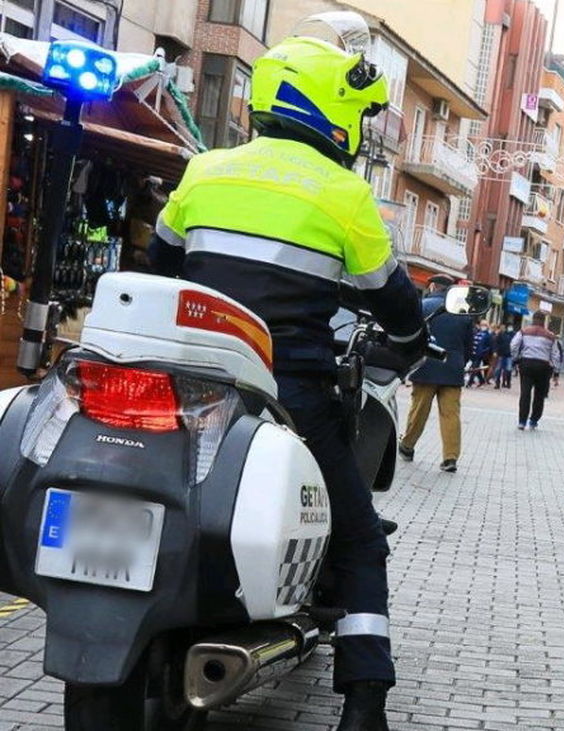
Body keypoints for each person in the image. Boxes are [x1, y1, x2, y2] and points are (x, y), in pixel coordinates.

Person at [147, 17, 421, 727]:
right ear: (332, 108)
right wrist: (413, 336)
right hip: (285, 390)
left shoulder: (206, 166)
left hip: (184, 380)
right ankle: (364, 702)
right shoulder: (343, 193)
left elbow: (161, 261)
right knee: (360, 538)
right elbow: (390, 295)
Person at [399, 275, 473, 474]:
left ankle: (407, 446)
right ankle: (450, 457)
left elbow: (410, 335)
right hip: (452, 369)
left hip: (426, 366)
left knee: (419, 410)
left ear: (432, 286)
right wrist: (460, 363)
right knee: (451, 414)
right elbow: (468, 346)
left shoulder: (422, 306)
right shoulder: (462, 310)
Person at [511, 311, 564, 429]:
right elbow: (555, 354)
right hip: (543, 366)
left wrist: (516, 358)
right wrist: (556, 371)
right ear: (544, 321)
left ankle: (522, 421)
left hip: (527, 363)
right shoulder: (550, 336)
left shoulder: (523, 331)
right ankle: (534, 420)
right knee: (539, 395)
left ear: (533, 319)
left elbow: (514, 345)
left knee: (525, 393)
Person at [465, 320, 492, 387]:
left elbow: (489, 346)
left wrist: (483, 352)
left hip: (479, 354)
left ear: (487, 326)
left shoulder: (488, 335)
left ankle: (469, 383)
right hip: (473, 353)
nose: (483, 326)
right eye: (482, 325)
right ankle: (482, 380)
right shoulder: (477, 333)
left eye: (484, 325)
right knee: (476, 368)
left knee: (474, 368)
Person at [492, 322, 514, 389]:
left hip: (509, 354)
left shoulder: (513, 335)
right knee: (498, 369)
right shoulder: (500, 334)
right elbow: (496, 343)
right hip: (501, 354)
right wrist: (495, 351)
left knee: (508, 369)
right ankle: (497, 383)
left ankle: (508, 383)